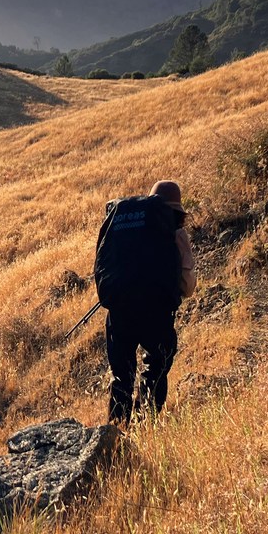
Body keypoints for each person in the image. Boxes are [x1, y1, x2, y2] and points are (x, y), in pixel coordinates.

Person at [94, 179, 197, 421]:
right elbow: (187, 283)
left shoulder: (122, 226)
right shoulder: (176, 232)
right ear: (176, 210)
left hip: (119, 310)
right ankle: (146, 424)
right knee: (156, 370)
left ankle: (116, 434)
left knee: (121, 376)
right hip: (157, 312)